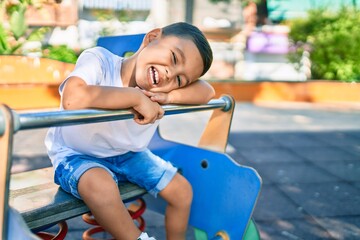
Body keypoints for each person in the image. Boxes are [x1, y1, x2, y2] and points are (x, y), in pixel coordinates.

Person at [45, 22, 214, 240]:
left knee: (182, 192)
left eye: (180, 80)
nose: (170, 74)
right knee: (101, 185)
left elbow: (207, 91)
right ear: (152, 37)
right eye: (174, 58)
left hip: (127, 154)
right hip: (76, 154)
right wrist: (135, 98)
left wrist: (171, 97)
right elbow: (72, 98)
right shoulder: (100, 61)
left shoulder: (163, 92)